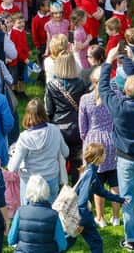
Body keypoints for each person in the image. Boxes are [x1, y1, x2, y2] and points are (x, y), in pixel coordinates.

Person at [99, 46, 134, 251]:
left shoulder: (118, 106)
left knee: (127, 200)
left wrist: (109, 60)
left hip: (125, 159)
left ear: (124, 90)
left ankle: (131, 239)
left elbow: (103, 88)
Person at [78, 67, 120, 227]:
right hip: (113, 140)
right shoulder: (115, 96)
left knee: (98, 183)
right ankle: (116, 217)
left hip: (93, 142)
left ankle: (100, 218)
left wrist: (86, 140)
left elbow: (83, 127)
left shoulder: (85, 99)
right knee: (115, 182)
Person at [8, 98, 68, 204]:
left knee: (27, 214)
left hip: (29, 182)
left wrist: (12, 154)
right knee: (51, 213)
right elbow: (66, 152)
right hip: (51, 178)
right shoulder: (55, 130)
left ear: (27, 115)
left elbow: (12, 168)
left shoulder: (24, 137)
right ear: (43, 113)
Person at [72, 143, 127, 253]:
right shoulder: (91, 174)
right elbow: (82, 201)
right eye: (105, 153)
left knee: (70, 241)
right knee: (96, 242)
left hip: (80, 213)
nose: (106, 155)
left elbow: (101, 192)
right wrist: (81, 222)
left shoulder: (89, 171)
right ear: (99, 158)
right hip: (83, 214)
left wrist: (120, 200)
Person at [45, 51, 87, 183]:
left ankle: (58, 192)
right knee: (78, 163)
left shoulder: (52, 85)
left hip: (59, 128)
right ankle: (78, 192)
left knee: (58, 161)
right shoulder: (81, 83)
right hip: (77, 127)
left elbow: (49, 110)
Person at [7, 174, 68, 252]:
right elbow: (62, 245)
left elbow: (11, 240)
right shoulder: (54, 215)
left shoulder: (20, 212)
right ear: (46, 190)